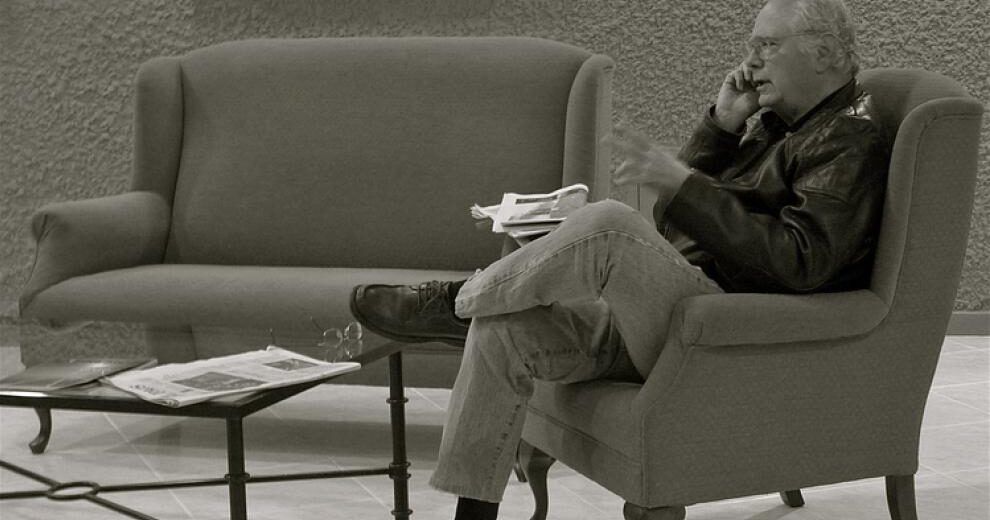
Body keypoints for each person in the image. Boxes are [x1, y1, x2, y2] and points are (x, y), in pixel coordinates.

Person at [349, 0, 889, 517]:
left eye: (767, 45)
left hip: (729, 329)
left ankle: (456, 304)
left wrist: (685, 184)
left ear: (824, 53)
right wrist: (722, 128)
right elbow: (674, 223)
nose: (750, 62)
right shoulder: (777, 125)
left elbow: (802, 261)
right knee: (503, 329)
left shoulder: (848, 139)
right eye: (751, 45)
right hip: (682, 314)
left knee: (609, 224)